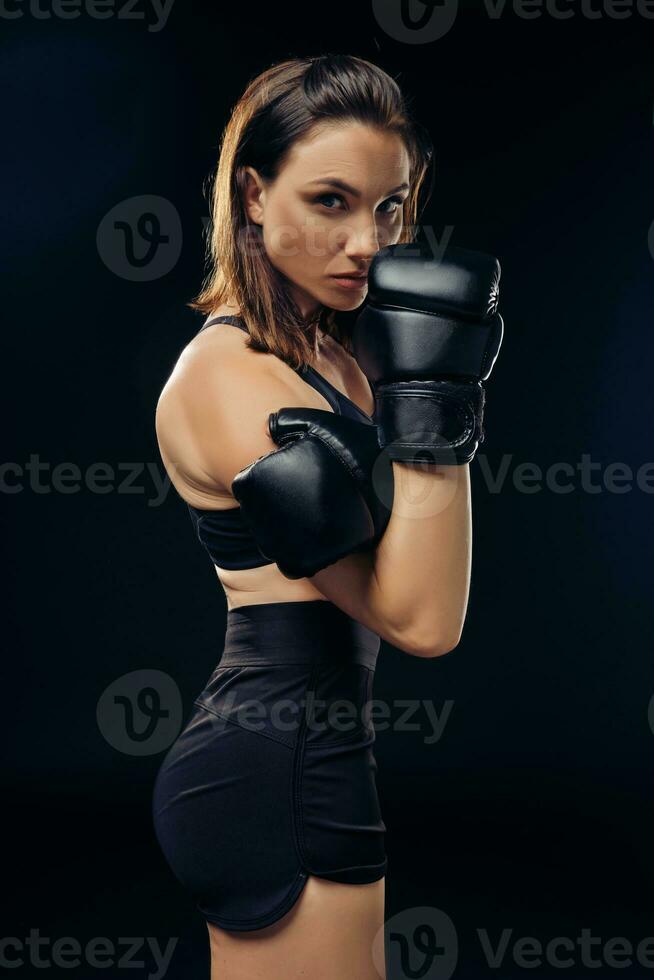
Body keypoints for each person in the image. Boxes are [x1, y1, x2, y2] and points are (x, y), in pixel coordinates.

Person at [151, 53, 502, 980]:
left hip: (315, 746)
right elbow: (422, 619)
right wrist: (436, 399)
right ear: (255, 196)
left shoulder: (333, 352)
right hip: (276, 768)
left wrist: (421, 386)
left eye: (390, 207)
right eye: (331, 202)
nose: (368, 244)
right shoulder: (229, 379)